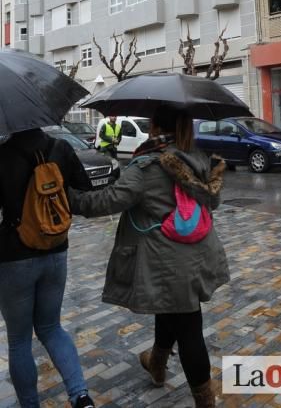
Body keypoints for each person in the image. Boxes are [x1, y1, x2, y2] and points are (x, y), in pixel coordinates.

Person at [68, 107, 229, 408]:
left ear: (154, 126)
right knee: (172, 309)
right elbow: (213, 201)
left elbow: (110, 200)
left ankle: (205, 402)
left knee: (189, 330)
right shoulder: (198, 158)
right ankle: (156, 364)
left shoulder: (147, 165)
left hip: (169, 262)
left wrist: (71, 198)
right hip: (199, 253)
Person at [0, 128, 95, 408]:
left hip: (13, 256)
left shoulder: (2, 154)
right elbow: (84, 190)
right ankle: (81, 396)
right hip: (56, 249)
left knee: (19, 341)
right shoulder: (62, 147)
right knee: (52, 327)